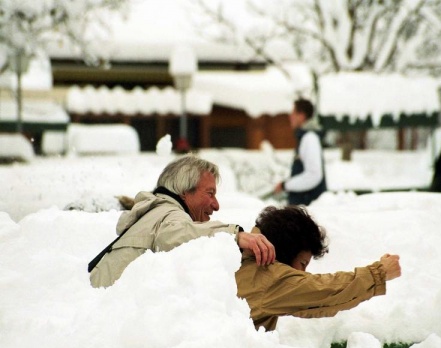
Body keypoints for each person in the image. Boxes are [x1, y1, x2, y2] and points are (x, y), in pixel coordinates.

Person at [89, 155, 276, 288]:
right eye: (210, 193)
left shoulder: (156, 213)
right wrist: (235, 235)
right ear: (184, 192)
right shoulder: (169, 214)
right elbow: (175, 235)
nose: (216, 205)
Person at [235, 205, 401, 331]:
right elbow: (326, 290)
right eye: (302, 264)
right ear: (286, 250)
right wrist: (378, 273)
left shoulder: (240, 257)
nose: (303, 273)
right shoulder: (269, 279)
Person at [274, 98, 327, 205]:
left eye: (293, 113)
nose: (290, 117)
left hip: (309, 207)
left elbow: (314, 174)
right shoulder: (306, 137)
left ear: (302, 116)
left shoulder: (310, 138)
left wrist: (286, 185)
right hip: (305, 207)